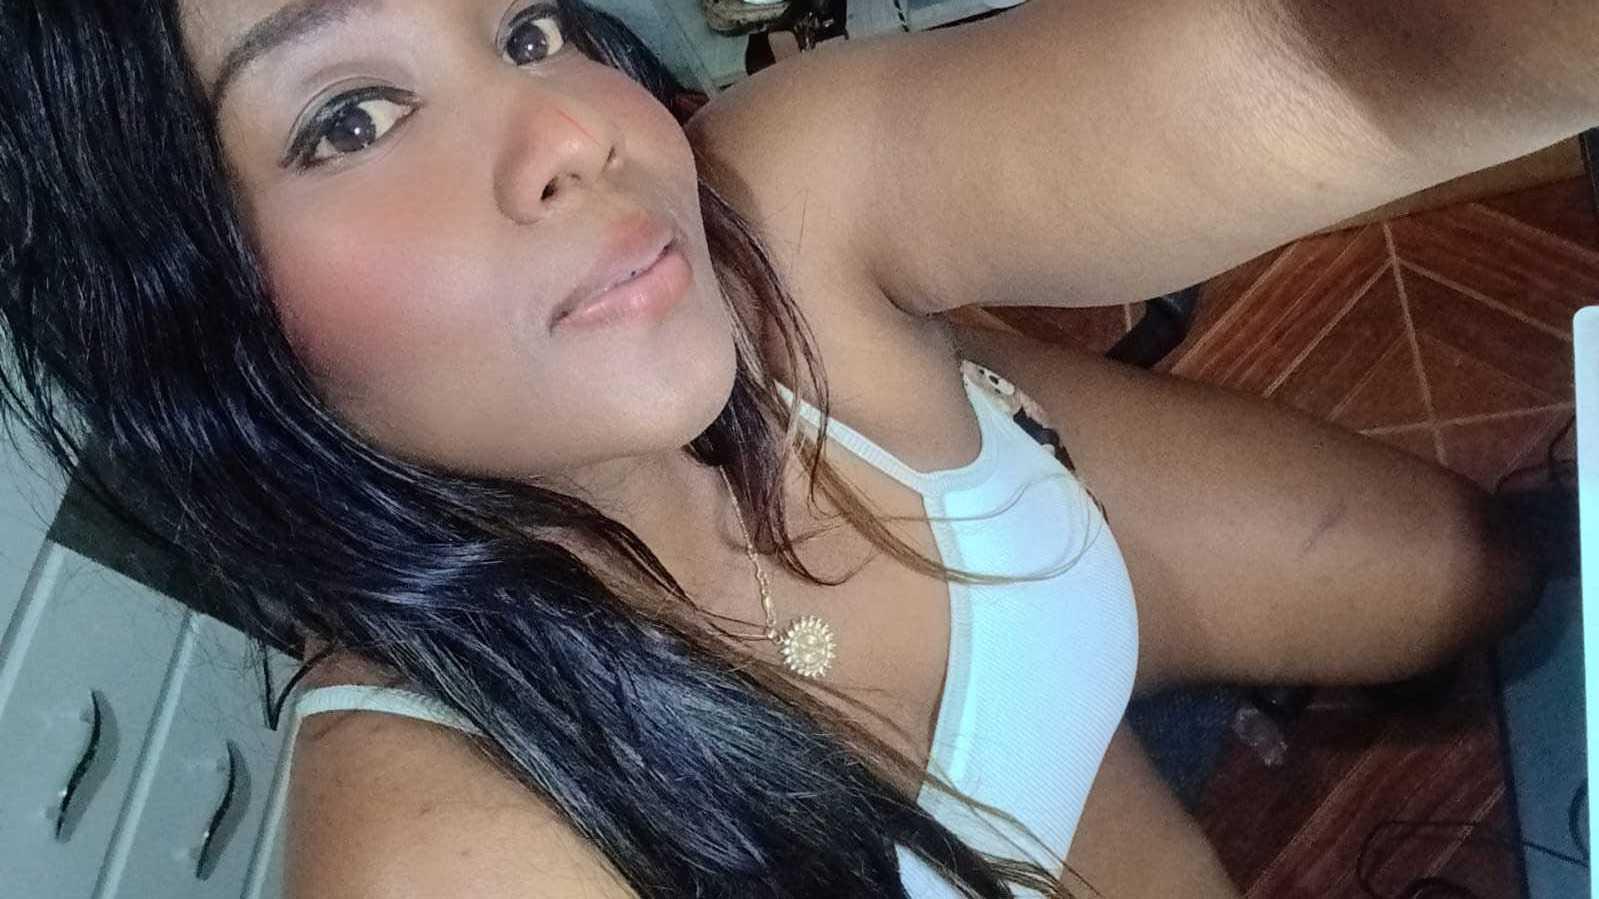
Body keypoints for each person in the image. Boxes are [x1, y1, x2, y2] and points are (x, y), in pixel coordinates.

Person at [0, 0, 1589, 896]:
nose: (578, 133)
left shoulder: (774, 210)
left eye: (528, 28)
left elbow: (1320, 54)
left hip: (1037, 528)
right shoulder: (452, 852)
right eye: (349, 119)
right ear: (190, 315)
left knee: (1505, 582)